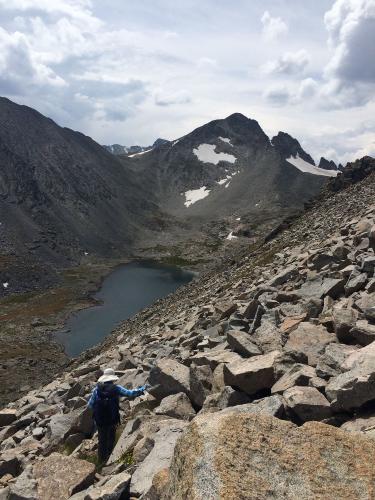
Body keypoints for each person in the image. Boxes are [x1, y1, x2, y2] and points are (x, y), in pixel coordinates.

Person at [88, 367, 147, 463]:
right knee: (111, 438)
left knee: (102, 440)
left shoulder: (96, 390)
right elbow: (130, 393)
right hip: (112, 419)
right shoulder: (117, 389)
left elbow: (90, 405)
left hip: (99, 421)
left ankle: (100, 462)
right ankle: (110, 459)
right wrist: (141, 390)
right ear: (112, 378)